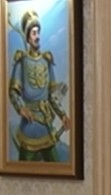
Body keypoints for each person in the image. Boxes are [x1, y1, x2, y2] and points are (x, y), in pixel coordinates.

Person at [8, 10, 71, 162]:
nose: (37, 37)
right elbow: (13, 92)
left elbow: (51, 96)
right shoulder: (21, 61)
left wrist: (63, 115)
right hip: (28, 128)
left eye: (38, 32)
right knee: (23, 170)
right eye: (34, 33)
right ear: (28, 37)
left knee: (55, 167)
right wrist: (21, 108)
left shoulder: (46, 60)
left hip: (46, 127)